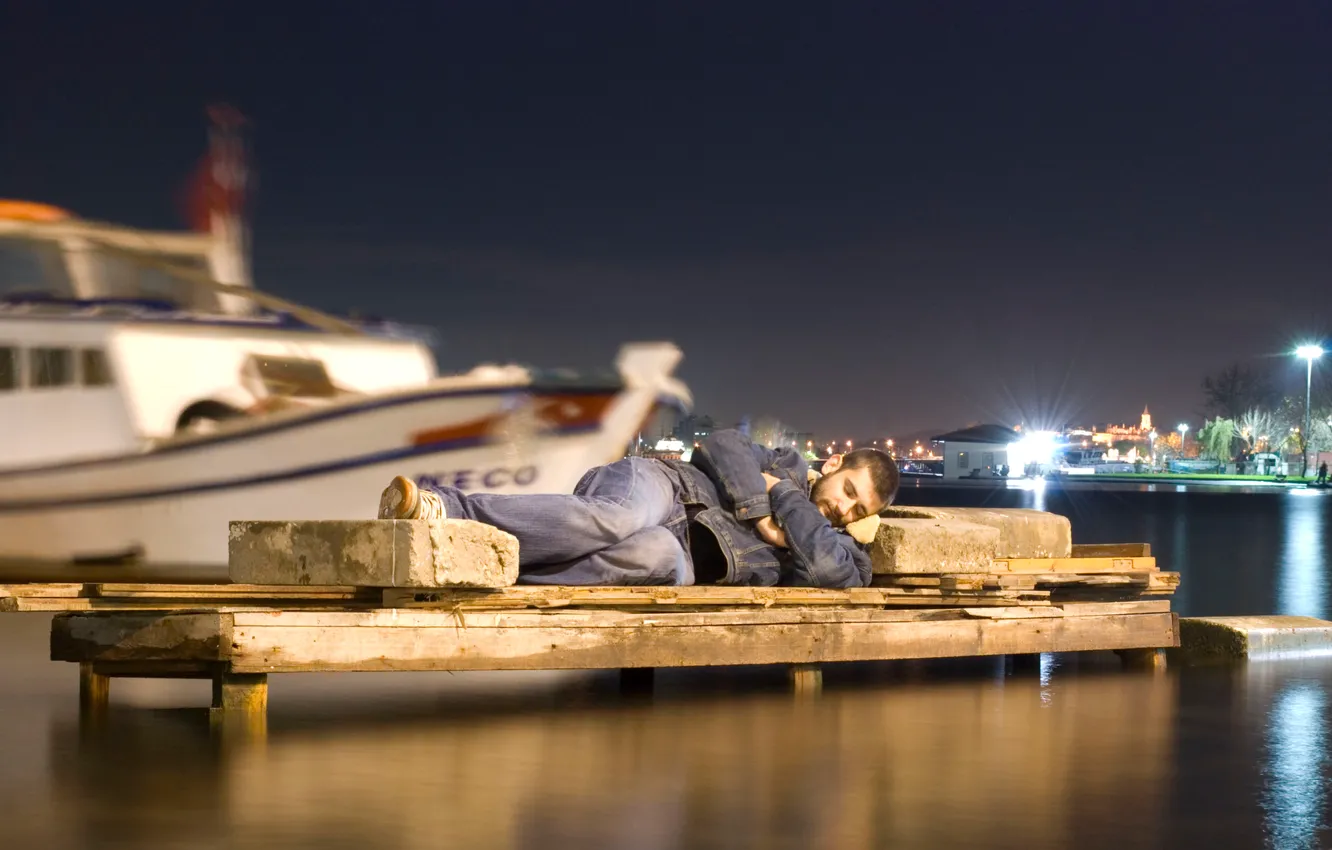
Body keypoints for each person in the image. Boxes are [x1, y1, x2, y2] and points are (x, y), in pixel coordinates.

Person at [377, 428, 900, 588]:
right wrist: (769, 508)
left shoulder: (846, 553)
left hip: (681, 557)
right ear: (833, 465)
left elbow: (832, 570)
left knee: (656, 558)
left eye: (858, 512)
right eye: (849, 491)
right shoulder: (784, 461)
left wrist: (785, 505)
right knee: (620, 518)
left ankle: (482, 566)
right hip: (664, 488)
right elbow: (721, 445)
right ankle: (441, 506)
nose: (844, 511)